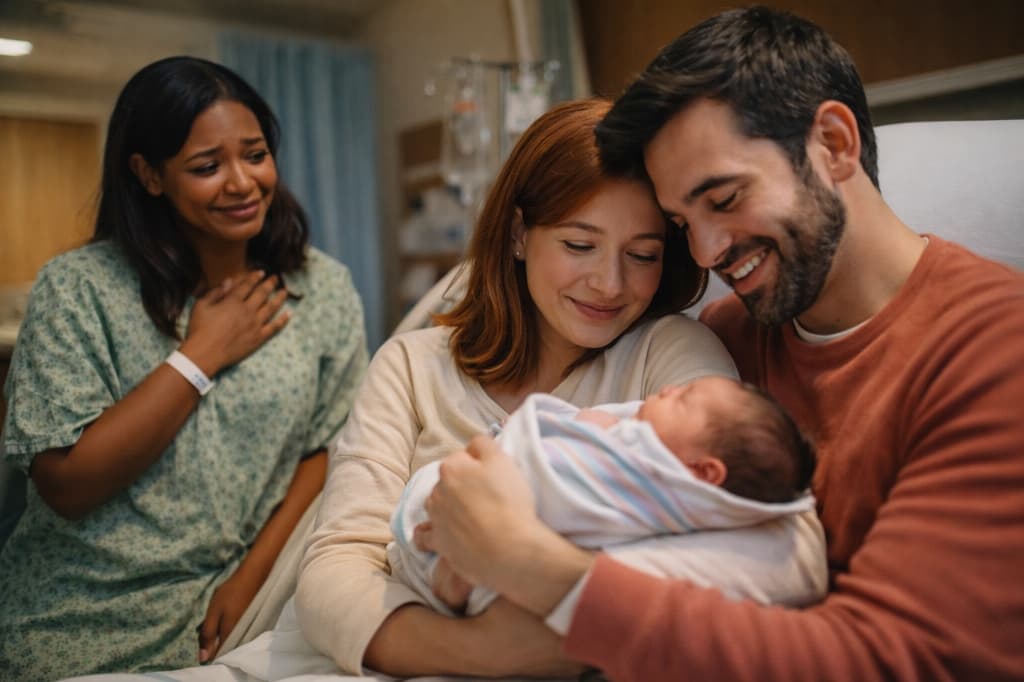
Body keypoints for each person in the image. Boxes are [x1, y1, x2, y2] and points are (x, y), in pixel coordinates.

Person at [415, 7, 1024, 681]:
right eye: (682, 224)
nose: (705, 252)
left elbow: (887, 659)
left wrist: (526, 562)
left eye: (726, 199)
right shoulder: (730, 337)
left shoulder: (995, 351)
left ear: (833, 143)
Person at [294, 98, 825, 679]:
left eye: (643, 254)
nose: (609, 283)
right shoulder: (411, 367)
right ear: (520, 234)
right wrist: (490, 650)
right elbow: (335, 571)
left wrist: (516, 555)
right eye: (578, 245)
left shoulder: (668, 353)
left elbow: (789, 552)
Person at [0, 56, 368, 679]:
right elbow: (67, 485)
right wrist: (200, 357)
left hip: (247, 605)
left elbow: (330, 448)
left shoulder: (320, 287)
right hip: (81, 614)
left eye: (255, 155)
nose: (242, 183)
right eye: (206, 167)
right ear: (148, 174)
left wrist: (251, 578)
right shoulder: (79, 288)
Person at [390, 375, 817, 616]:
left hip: (522, 515)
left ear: (703, 470)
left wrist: (584, 427)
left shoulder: (660, 480)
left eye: (683, 399)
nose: (670, 389)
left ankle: (453, 565)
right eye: (579, 245)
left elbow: (572, 483)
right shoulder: (667, 455)